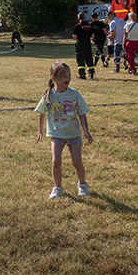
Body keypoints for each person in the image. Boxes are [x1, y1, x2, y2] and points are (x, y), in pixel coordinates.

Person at [35, 61, 92, 199]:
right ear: (53, 78)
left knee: (77, 162)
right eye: (63, 76)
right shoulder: (48, 96)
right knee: (56, 162)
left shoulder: (74, 94)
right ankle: (58, 187)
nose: (67, 79)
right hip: (57, 133)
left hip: (73, 133)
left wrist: (86, 131)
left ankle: (82, 184)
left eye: (69, 75)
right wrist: (40, 131)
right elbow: (41, 112)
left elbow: (82, 113)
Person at [72, 13, 95, 80]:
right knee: (89, 58)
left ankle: (82, 75)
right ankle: (91, 73)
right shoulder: (89, 25)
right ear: (85, 17)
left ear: (78, 18)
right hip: (88, 44)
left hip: (80, 44)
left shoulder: (78, 26)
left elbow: (75, 36)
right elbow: (93, 35)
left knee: (80, 59)